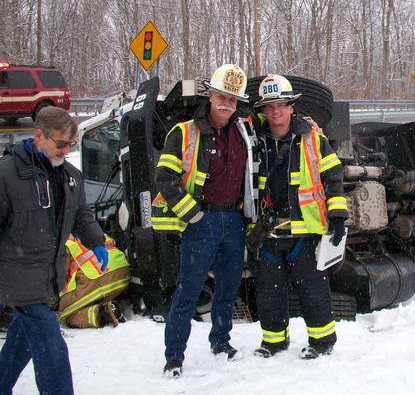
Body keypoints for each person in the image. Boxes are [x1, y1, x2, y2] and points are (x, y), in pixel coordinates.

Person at [152, 64, 258, 378]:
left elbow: (275, 119)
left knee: (228, 288)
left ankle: (221, 341)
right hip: (203, 220)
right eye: (222, 95)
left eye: (233, 98)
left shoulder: (244, 130)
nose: (227, 102)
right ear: (209, 95)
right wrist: (193, 215)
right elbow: (165, 178)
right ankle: (174, 356)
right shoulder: (184, 132)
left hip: (234, 220)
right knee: (188, 291)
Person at [0, 106, 108, 395]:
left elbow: (81, 215)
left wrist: (96, 241)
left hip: (47, 277)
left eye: (70, 144)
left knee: (22, 336)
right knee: (51, 346)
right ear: (39, 136)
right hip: (16, 277)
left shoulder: (70, 175)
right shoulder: (7, 174)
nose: (66, 149)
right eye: (61, 143)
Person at [247, 74, 348, 359]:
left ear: (292, 106)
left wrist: (338, 217)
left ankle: (322, 342)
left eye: (281, 104)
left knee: (313, 290)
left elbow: (334, 178)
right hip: (267, 233)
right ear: (263, 111)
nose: (275, 111)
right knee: (269, 292)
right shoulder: (252, 141)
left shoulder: (313, 140)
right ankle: (274, 342)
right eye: (269, 106)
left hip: (304, 232)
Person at [58, 235, 130, 328]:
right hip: (122, 270)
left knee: (65, 314)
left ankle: (103, 312)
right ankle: (106, 302)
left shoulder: (59, 242)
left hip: (97, 276)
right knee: (85, 297)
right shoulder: (83, 228)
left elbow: (60, 274)